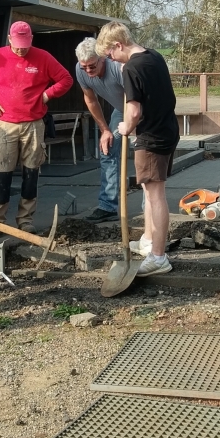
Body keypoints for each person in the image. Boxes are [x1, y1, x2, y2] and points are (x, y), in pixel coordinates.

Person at [95, 22, 178, 276]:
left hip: (151, 136)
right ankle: (149, 241)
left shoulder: (130, 68)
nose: (110, 59)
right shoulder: (154, 56)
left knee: (155, 195)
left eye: (110, 53)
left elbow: (133, 111)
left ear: (118, 45)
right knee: (150, 189)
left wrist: (124, 128)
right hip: (167, 128)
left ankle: (158, 257)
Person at [0, 21, 73, 232]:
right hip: (6, 124)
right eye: (17, 44)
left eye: (25, 44)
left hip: (34, 124)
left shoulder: (43, 57)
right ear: (9, 39)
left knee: (31, 172)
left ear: (31, 40)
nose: (21, 49)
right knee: (2, 172)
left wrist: (47, 95)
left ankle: (25, 220)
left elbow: (66, 79)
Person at [74, 37, 125, 223]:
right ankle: (108, 207)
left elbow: (138, 99)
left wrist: (134, 126)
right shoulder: (81, 71)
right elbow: (91, 100)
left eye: (92, 66)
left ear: (102, 58)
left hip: (143, 108)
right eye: (84, 67)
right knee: (108, 148)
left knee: (145, 156)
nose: (88, 71)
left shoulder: (117, 67)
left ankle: (149, 210)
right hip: (121, 110)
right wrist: (105, 130)